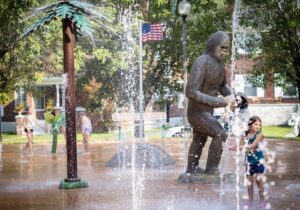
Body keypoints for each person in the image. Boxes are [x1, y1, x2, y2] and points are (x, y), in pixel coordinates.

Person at [185, 31, 233, 174]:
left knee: (199, 139)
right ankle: (212, 169)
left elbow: (222, 86)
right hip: (196, 112)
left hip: (207, 112)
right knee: (220, 134)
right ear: (213, 46)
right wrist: (220, 101)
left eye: (227, 49)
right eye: (222, 48)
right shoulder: (202, 61)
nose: (225, 52)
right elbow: (191, 92)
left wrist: (233, 97)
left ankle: (191, 169)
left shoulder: (220, 65)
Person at [239, 115, 266, 209]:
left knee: (259, 182)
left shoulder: (260, 135)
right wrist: (234, 147)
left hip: (258, 161)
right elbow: (240, 147)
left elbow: (251, 145)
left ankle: (262, 201)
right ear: (250, 124)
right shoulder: (244, 134)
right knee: (249, 184)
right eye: (256, 124)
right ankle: (250, 201)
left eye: (259, 125)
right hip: (248, 162)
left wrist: (240, 147)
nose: (258, 127)